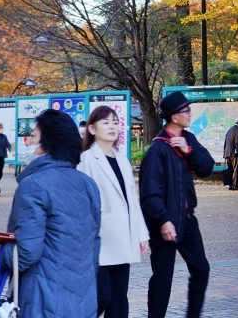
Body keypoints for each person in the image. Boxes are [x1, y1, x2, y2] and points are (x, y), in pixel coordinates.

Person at [0, 109, 101, 318]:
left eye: (34, 136)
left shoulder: (33, 185)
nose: (29, 142)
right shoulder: (88, 184)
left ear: (48, 143)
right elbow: (94, 243)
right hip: (83, 298)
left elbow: (27, 253)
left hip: (42, 299)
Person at [140, 92, 215, 318]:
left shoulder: (188, 139)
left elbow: (207, 167)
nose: (190, 114)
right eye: (186, 111)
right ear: (174, 117)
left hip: (187, 219)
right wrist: (163, 220)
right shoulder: (157, 150)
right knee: (163, 278)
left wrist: (188, 151)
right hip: (165, 223)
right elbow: (148, 195)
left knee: (201, 269)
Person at [78, 106, 148, 318]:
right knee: (102, 296)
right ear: (91, 128)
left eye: (116, 122)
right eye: (106, 122)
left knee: (119, 297)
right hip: (98, 239)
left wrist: (141, 235)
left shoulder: (122, 160)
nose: (112, 126)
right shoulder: (85, 160)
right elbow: (82, 203)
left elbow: (131, 202)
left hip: (121, 238)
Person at [222, 116, 238, 190]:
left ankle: (230, 185)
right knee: (236, 169)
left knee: (230, 169)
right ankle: (236, 186)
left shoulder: (230, 130)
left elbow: (226, 142)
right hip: (234, 153)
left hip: (227, 152)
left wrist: (224, 153)